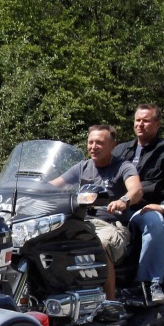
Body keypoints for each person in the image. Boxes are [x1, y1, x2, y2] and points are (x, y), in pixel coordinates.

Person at [112, 104, 164, 306]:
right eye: (137, 120)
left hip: (144, 207)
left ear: (157, 125)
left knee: (154, 220)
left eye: (146, 120)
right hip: (115, 207)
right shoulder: (120, 149)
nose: (140, 124)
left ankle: (149, 284)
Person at [52, 124, 143, 300]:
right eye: (91, 142)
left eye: (99, 143)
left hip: (111, 226)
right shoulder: (82, 167)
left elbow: (136, 190)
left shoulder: (124, 167)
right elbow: (52, 186)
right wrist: (29, 190)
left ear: (113, 145)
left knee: (97, 244)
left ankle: (110, 303)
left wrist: (123, 200)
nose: (93, 147)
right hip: (81, 223)